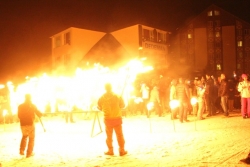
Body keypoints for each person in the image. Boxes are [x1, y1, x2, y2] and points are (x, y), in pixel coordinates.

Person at [97, 83, 127, 156]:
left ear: (105, 88)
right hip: (117, 118)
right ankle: (122, 150)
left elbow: (99, 107)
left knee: (109, 136)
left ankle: (110, 151)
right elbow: (123, 106)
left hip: (108, 119)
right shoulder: (117, 96)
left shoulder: (101, 98)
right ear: (111, 88)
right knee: (119, 135)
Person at [18, 94, 43, 158]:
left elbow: (19, 116)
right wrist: (41, 114)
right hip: (30, 124)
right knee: (31, 138)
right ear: (31, 98)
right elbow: (39, 114)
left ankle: (21, 150)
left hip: (22, 124)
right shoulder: (32, 105)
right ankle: (29, 153)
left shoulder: (20, 106)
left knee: (24, 136)